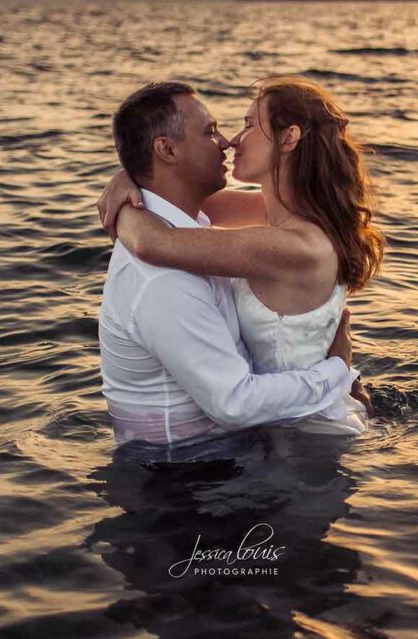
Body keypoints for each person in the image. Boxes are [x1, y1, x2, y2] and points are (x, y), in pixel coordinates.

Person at [98, 76, 383, 437]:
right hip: (278, 427)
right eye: (211, 131)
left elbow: (152, 243)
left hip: (305, 436)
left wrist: (126, 209)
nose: (230, 140)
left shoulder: (292, 244)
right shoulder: (290, 214)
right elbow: (186, 204)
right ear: (167, 150)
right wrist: (128, 177)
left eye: (248, 125)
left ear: (288, 138)